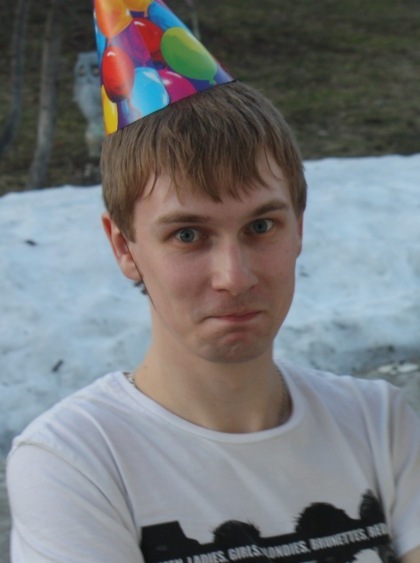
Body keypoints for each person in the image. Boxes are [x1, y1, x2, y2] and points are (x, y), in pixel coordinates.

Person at [7, 2, 420, 562]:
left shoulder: (377, 425)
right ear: (124, 248)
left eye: (260, 226)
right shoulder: (79, 461)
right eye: (188, 235)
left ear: (299, 227)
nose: (235, 276)